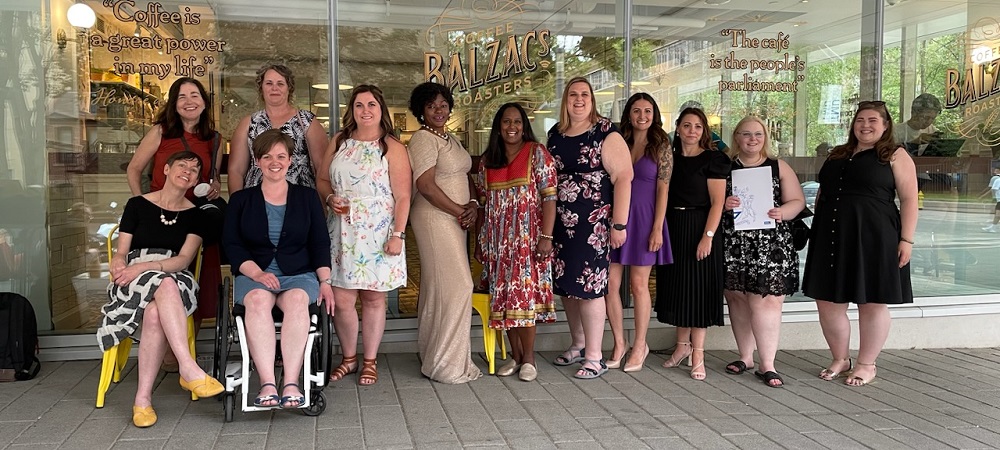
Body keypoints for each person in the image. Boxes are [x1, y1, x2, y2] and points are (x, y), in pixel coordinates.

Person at [97, 150, 224, 428]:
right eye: (182, 165)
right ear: (166, 169)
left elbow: (184, 260)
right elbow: (122, 252)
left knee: (161, 294)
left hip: (175, 275)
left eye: (194, 170)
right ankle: (187, 368)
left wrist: (146, 267)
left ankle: (143, 399)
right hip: (133, 277)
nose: (187, 171)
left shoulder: (197, 215)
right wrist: (118, 262)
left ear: (196, 182)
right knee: (157, 301)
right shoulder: (137, 205)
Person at [803, 100, 918, 387]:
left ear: (886, 125)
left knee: (872, 302)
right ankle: (840, 359)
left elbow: (909, 200)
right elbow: (824, 192)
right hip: (831, 234)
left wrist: (906, 240)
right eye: (860, 120)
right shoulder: (838, 154)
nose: (865, 125)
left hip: (875, 236)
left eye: (872, 121)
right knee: (827, 300)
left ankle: (867, 364)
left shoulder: (895, 155)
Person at [222, 129, 334, 408]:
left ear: (290, 160)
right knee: (258, 301)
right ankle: (268, 383)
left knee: (296, 301)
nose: (275, 162)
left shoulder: (307, 197)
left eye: (281, 156)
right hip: (253, 274)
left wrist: (325, 281)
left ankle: (292, 382)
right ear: (257, 161)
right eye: (268, 156)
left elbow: (319, 242)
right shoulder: (241, 200)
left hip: (299, 273)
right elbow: (232, 244)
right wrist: (257, 273)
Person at [125, 77, 224, 372]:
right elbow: (134, 169)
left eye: (195, 95)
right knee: (164, 278)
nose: (189, 101)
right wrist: (142, 206)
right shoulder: (160, 132)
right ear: (173, 103)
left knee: (197, 281)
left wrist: (215, 186)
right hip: (162, 219)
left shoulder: (215, 139)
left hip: (195, 219)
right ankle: (173, 354)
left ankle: (179, 349)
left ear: (204, 102)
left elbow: (213, 178)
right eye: (182, 97)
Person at [318, 85, 411, 385]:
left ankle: (370, 360)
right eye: (359, 105)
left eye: (371, 104)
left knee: (373, 298)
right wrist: (330, 198)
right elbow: (322, 179)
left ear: (381, 109)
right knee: (342, 299)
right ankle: (349, 358)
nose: (365, 110)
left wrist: (398, 234)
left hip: (379, 231)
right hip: (342, 229)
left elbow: (404, 196)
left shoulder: (392, 147)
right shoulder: (339, 141)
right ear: (352, 110)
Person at [546, 76, 632, 380]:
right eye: (573, 94)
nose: (579, 99)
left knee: (590, 288)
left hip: (593, 225)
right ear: (566, 100)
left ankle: (595, 357)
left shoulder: (605, 131)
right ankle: (579, 344)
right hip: (561, 223)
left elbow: (624, 177)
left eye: (585, 94)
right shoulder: (555, 134)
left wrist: (619, 224)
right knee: (568, 287)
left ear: (593, 99)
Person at [474, 103, 557, 382]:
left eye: (517, 122)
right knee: (504, 299)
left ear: (524, 126)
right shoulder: (488, 161)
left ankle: (530, 358)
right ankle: (516, 356)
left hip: (527, 242)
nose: (512, 127)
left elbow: (550, 198)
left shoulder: (537, 153)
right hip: (498, 244)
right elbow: (484, 206)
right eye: (507, 122)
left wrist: (546, 237)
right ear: (499, 127)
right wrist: (480, 243)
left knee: (524, 299)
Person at [721, 116, 805, 388]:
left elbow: (797, 201)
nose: (752, 139)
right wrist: (724, 204)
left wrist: (783, 211)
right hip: (735, 243)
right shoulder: (725, 167)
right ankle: (745, 357)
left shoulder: (778, 166)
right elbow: (710, 202)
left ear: (765, 138)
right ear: (736, 137)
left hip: (771, 245)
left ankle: (767, 364)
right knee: (737, 299)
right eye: (746, 134)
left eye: (758, 134)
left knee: (766, 301)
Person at [407, 81, 482, 384]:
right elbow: (425, 186)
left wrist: (473, 204)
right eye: (431, 105)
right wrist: (459, 211)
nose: (439, 110)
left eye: (443, 104)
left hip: (454, 218)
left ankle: (434, 357)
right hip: (435, 218)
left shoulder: (449, 138)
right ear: (421, 111)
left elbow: (465, 175)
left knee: (438, 288)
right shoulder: (423, 139)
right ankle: (447, 366)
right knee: (460, 285)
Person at [654, 107, 730, 381]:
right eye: (687, 125)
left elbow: (718, 203)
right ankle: (681, 347)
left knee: (698, 292)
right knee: (679, 290)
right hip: (674, 227)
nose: (692, 131)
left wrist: (707, 236)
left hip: (701, 226)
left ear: (704, 131)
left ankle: (698, 354)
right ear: (678, 128)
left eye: (698, 126)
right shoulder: (669, 159)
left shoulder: (713, 159)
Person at [606, 93, 673, 373]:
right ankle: (619, 343)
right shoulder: (618, 140)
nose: (642, 116)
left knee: (638, 285)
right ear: (629, 114)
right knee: (610, 284)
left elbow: (663, 189)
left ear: (654, 114)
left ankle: (640, 344)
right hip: (618, 220)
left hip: (646, 220)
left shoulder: (661, 144)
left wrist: (657, 227)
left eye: (647, 110)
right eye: (636, 110)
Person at [228, 63, 329, 193]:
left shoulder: (307, 121)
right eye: (269, 83)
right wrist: (237, 202)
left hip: (300, 198)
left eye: (280, 84)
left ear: (289, 88)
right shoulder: (248, 123)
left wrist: (320, 201)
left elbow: (322, 168)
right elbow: (236, 170)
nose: (274, 88)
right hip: (256, 198)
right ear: (261, 88)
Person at [980, 166, 1000, 232]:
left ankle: (992, 227)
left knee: (997, 215)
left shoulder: (997, 180)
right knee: (997, 215)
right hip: (999, 200)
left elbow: (993, 189)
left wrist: (994, 197)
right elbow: (993, 189)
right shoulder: (997, 180)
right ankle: (992, 227)